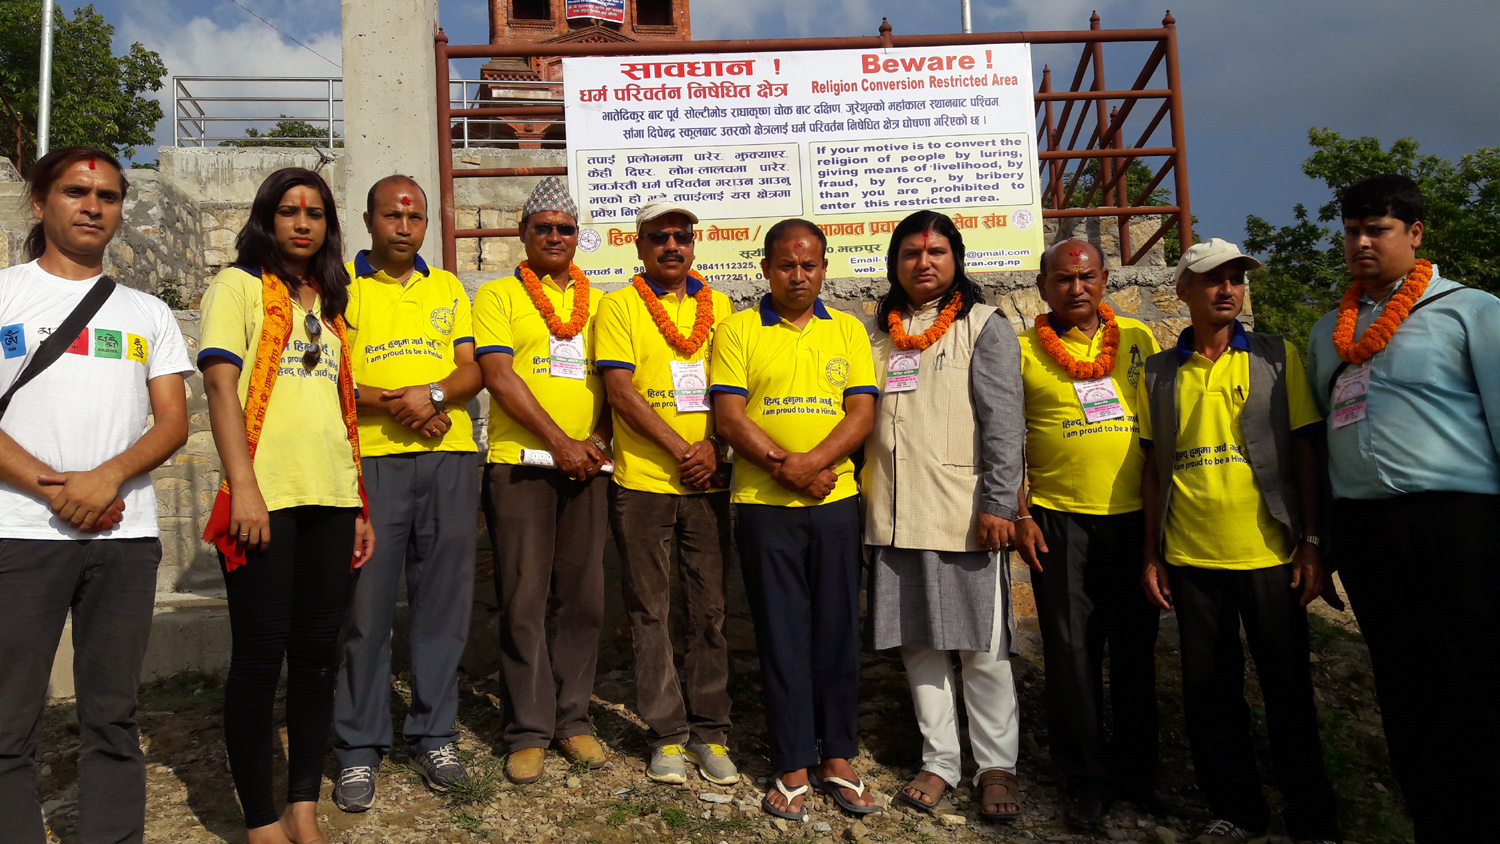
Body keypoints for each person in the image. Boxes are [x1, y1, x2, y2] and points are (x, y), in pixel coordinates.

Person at [0, 147, 191, 844]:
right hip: (20, 532)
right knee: (8, 721)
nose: (92, 206)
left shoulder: (148, 312)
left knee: (112, 717)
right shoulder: (4, 295)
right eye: (76, 192)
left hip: (124, 537)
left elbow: (172, 421)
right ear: (39, 202)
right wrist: (57, 490)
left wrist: (106, 479)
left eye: (107, 196)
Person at [1305, 174, 1500, 844]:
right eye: (1352, 231)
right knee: (1403, 682)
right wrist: (1325, 536)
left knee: (1475, 675)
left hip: (1459, 522)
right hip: (1367, 530)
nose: (1361, 243)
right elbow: (1320, 434)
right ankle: (1433, 823)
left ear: (1414, 234)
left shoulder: (1472, 312)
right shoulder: (1328, 332)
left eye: (1377, 230)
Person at [1139, 239, 1340, 844]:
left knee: (1288, 690)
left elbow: (1305, 450)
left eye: (1236, 278)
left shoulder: (1276, 357)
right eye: (1212, 279)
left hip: (1270, 555)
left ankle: (1312, 820)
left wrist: (1311, 541)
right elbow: (1152, 467)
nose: (1227, 289)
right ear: (1183, 291)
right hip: (1191, 556)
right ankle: (1236, 811)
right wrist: (1152, 553)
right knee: (1210, 694)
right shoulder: (1158, 371)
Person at [199, 167, 376, 844]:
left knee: (316, 656)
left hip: (331, 497)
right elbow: (221, 389)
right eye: (288, 210)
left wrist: (358, 506)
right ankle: (260, 819)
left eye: (316, 213)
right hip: (263, 499)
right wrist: (244, 486)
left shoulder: (330, 303)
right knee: (258, 658)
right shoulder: (238, 286)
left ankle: (303, 805)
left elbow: (340, 410)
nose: (303, 223)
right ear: (266, 218)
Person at [711, 219, 879, 821]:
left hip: (835, 503)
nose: (799, 275)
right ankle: (791, 761)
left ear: (825, 269)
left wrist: (814, 465)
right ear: (766, 268)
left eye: (810, 265)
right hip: (765, 507)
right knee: (781, 634)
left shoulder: (848, 330)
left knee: (837, 630)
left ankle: (838, 756)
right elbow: (730, 417)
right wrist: (788, 468)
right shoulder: (738, 329)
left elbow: (861, 412)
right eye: (787, 265)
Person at [863, 211, 1026, 822]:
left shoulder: (983, 326)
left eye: (935, 252)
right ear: (895, 264)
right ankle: (940, 761)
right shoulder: (878, 334)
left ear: (956, 259)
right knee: (918, 644)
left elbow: (1004, 423)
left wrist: (999, 503)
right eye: (910, 254)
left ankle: (996, 765)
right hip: (893, 511)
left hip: (963, 512)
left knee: (982, 646)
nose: (923, 263)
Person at [331, 175, 484, 811]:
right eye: (392, 215)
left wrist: (436, 396)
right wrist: (397, 404)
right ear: (369, 219)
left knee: (443, 603)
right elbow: (326, 370)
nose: (404, 226)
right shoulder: (339, 284)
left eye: (415, 216)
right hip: (372, 460)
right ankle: (358, 745)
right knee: (365, 610)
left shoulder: (447, 287)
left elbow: (471, 369)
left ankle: (434, 733)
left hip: (448, 458)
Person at [1012, 239, 1175, 828]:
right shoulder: (1021, 349)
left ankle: (1138, 776)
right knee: (1070, 654)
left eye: (1086, 277)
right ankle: (1084, 779)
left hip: (1133, 519)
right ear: (1042, 286)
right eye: (1062, 279)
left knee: (1133, 650)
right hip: (1058, 520)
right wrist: (1021, 513)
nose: (1075, 288)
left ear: (1105, 279)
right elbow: (1004, 441)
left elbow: (1158, 427)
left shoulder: (1137, 337)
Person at [473, 177, 612, 785]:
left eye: (566, 228)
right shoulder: (499, 295)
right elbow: (499, 376)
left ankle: (573, 719)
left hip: (589, 468)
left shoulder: (600, 302)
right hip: (522, 464)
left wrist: (596, 443)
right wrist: (559, 442)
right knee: (524, 598)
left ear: (578, 237)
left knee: (583, 597)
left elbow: (618, 380)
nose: (555, 236)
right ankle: (528, 729)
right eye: (544, 227)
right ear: (523, 233)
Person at [594, 201, 738, 785]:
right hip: (644, 482)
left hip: (708, 480)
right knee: (649, 610)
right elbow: (621, 393)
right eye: (659, 237)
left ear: (694, 244)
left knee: (710, 608)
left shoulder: (720, 306)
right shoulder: (619, 305)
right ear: (639, 245)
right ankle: (667, 734)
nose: (671, 245)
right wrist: (683, 450)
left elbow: (735, 388)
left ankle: (711, 731)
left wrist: (715, 448)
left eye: (681, 235)